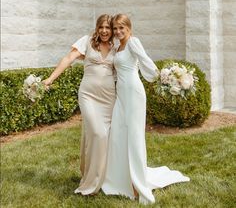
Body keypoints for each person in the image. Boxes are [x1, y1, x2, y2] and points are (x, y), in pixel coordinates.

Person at [102, 14, 190, 205]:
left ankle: (137, 185)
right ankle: (120, 179)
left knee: (134, 138)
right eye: (115, 28)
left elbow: (145, 61)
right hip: (121, 97)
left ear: (129, 28)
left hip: (134, 94)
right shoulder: (118, 47)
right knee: (118, 135)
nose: (117, 32)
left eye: (121, 28)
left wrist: (163, 78)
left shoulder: (133, 42)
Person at [43, 14, 116, 195]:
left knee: (102, 136)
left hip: (109, 98)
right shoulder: (87, 41)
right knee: (98, 133)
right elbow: (68, 59)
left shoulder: (116, 46)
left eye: (108, 28)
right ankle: (91, 181)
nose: (105, 31)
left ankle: (103, 176)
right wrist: (50, 79)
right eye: (101, 27)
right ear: (97, 28)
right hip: (88, 96)